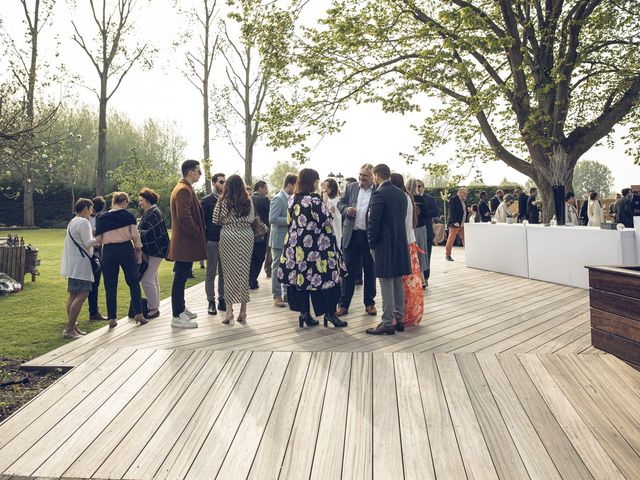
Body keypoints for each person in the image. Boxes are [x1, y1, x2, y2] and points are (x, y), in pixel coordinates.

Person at [278, 168, 347, 328]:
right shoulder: (314, 200)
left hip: (297, 248)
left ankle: (305, 314)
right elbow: (325, 221)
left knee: (302, 280)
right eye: (317, 180)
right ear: (313, 181)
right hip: (318, 249)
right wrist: (329, 210)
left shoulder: (292, 199)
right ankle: (330, 313)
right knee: (327, 279)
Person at [366, 164, 411, 335]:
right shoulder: (401, 194)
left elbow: (374, 222)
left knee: (385, 281)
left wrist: (371, 243)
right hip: (399, 242)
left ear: (376, 176)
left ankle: (386, 322)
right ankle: (399, 319)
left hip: (383, 244)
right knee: (398, 280)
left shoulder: (379, 193)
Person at [95, 192, 145, 329]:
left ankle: (112, 318)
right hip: (125, 249)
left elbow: (98, 240)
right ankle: (138, 313)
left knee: (110, 284)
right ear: (124, 202)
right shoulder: (129, 216)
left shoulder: (102, 217)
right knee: (133, 281)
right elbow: (135, 236)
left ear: (113, 202)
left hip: (109, 251)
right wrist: (138, 250)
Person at [168, 160, 207, 329]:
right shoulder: (183, 190)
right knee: (180, 278)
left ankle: (181, 309)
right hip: (185, 243)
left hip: (184, 243)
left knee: (181, 277)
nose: (200, 174)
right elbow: (183, 216)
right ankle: (177, 316)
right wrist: (196, 231)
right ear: (191, 172)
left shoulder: (184, 188)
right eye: (199, 171)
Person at [336, 163, 377, 317]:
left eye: (365, 176)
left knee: (370, 271)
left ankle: (370, 303)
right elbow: (340, 203)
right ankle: (343, 304)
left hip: (368, 236)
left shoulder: (377, 190)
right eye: (360, 175)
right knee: (348, 272)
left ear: (372, 176)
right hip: (351, 235)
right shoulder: (351, 187)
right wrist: (346, 210)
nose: (361, 178)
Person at [213, 174, 255, 325]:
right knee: (244, 271)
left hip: (228, 235)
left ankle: (229, 311)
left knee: (228, 273)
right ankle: (243, 311)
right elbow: (252, 218)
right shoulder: (248, 201)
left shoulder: (223, 201)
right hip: (246, 235)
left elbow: (215, 220)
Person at [61, 198, 99, 339]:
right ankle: (70, 328)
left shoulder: (73, 221)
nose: (91, 212)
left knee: (73, 294)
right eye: (91, 209)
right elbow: (88, 243)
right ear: (85, 209)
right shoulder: (83, 222)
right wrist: (100, 237)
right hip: (82, 263)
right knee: (83, 293)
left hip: (73, 263)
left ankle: (73, 326)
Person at [391, 174, 423, 326]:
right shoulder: (408, 197)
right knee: (410, 282)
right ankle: (410, 313)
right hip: (411, 243)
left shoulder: (399, 197)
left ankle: (401, 314)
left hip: (402, 243)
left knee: (400, 282)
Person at [137, 188, 169, 319]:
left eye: (141, 200)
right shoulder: (151, 212)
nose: (140, 203)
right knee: (153, 277)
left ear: (148, 201)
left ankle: (154, 309)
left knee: (147, 279)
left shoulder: (153, 213)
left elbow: (150, 233)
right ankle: (154, 306)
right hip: (155, 250)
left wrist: (137, 233)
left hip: (156, 250)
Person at [269, 173, 297, 307]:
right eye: (295, 186)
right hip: (279, 239)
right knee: (277, 268)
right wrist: (290, 220)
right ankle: (276, 295)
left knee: (288, 267)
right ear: (290, 185)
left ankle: (286, 293)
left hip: (289, 240)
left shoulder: (292, 198)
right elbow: (272, 219)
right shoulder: (278, 199)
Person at [200, 173, 226, 315]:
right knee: (211, 272)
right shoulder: (206, 201)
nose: (224, 184)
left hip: (226, 240)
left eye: (225, 182)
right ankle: (211, 301)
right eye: (221, 181)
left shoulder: (228, 200)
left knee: (224, 272)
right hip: (212, 241)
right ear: (215, 183)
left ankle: (222, 299)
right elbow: (201, 223)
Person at [87, 196, 106, 321]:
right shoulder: (82, 217)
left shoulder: (102, 217)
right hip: (85, 252)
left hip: (98, 252)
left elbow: (103, 233)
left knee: (96, 282)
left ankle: (94, 312)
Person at [406, 179, 428, 288]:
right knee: (420, 254)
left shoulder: (405, 197)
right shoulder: (420, 198)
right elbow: (426, 214)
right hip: (419, 228)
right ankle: (422, 279)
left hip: (411, 228)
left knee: (413, 254)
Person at [249, 180, 270, 290]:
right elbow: (269, 216)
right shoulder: (264, 200)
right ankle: (252, 280)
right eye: (265, 188)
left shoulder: (249, 199)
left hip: (249, 234)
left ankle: (250, 279)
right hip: (261, 234)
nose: (267, 191)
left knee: (251, 258)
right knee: (260, 257)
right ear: (260, 188)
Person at [418, 180, 439, 285]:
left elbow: (435, 212)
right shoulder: (410, 198)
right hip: (414, 231)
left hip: (426, 231)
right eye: (415, 186)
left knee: (426, 255)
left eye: (419, 186)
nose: (417, 188)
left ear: (423, 187)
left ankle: (425, 277)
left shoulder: (430, 199)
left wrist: (423, 211)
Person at [445, 187, 467, 261]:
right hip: (455, 224)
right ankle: (448, 255)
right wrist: (455, 222)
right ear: (460, 192)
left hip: (462, 224)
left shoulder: (463, 201)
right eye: (465, 193)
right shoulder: (453, 199)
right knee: (451, 239)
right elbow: (451, 212)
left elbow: (464, 211)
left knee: (466, 239)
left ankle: (469, 253)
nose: (466, 195)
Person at [322, 178, 342, 248]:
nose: (324, 190)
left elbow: (325, 214)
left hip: (335, 232)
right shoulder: (328, 200)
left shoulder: (336, 201)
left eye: (326, 187)